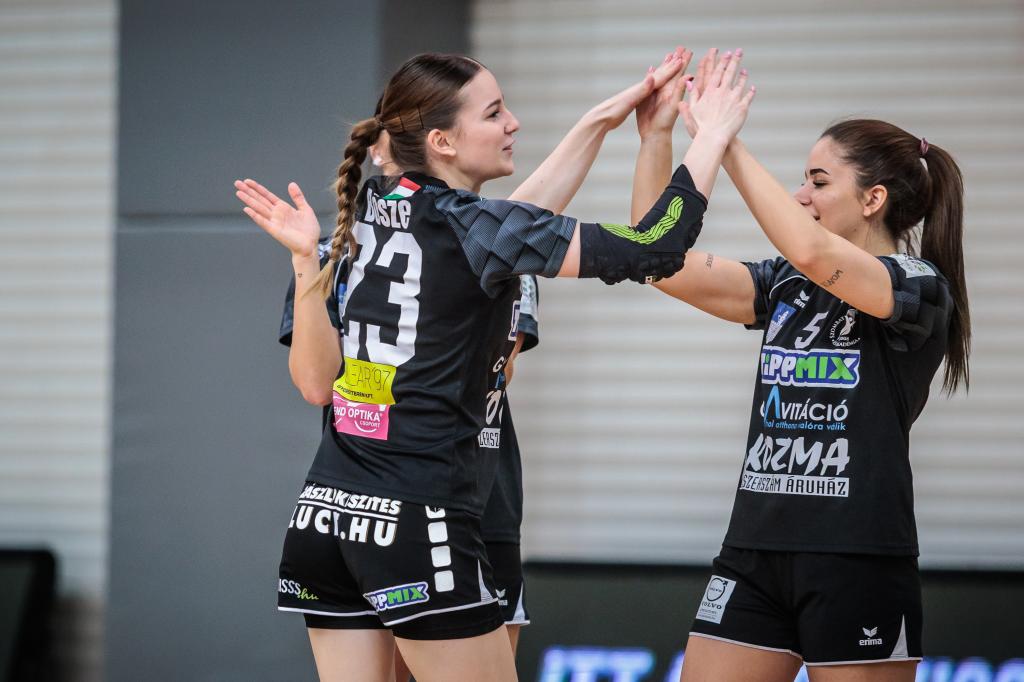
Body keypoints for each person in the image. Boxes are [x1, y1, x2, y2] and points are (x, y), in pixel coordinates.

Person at [235, 49, 747, 682]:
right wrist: (712, 136)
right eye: (495, 112)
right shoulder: (475, 229)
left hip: (326, 517)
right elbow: (654, 248)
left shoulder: (360, 213)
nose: (513, 124)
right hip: (419, 518)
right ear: (443, 141)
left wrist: (601, 121)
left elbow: (511, 226)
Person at [630, 49, 969, 682]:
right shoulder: (786, 281)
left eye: (818, 181)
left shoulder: (918, 285)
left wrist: (725, 142)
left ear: (872, 199)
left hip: (855, 555)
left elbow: (812, 250)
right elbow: (655, 260)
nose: (801, 194)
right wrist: (658, 138)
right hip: (754, 550)